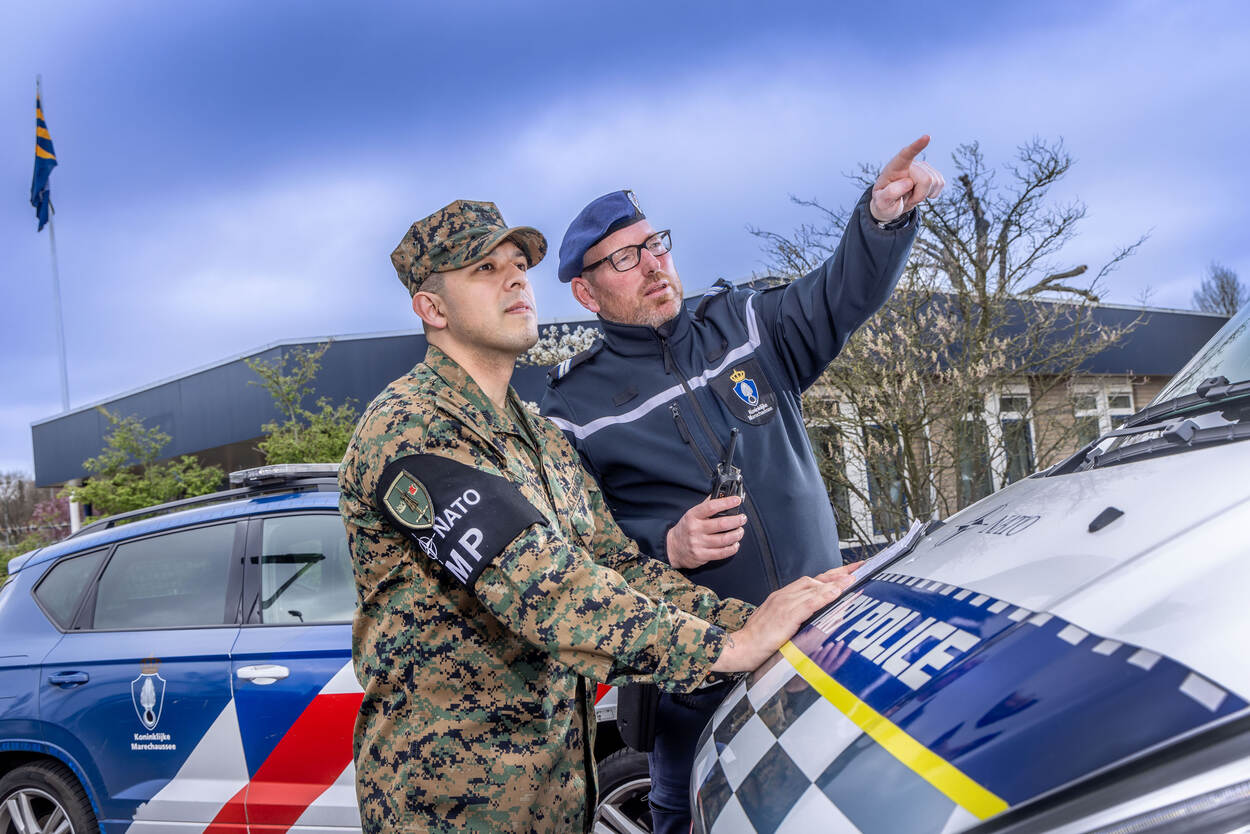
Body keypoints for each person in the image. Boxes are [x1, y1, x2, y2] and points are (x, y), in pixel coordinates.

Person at [339, 199, 856, 833]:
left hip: (554, 794)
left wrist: (774, 621)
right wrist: (728, 646)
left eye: (519, 264)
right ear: (432, 308)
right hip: (451, 805)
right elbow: (541, 586)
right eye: (483, 269)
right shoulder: (411, 427)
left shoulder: (539, 437)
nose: (515, 279)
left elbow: (616, 566)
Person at [541, 136, 945, 832]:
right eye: (625, 259)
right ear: (586, 290)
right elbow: (576, 549)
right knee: (688, 814)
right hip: (699, 680)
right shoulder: (571, 411)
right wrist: (665, 543)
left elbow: (838, 294)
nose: (654, 266)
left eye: (655, 244)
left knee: (839, 808)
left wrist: (879, 220)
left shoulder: (745, 324)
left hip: (822, 648)